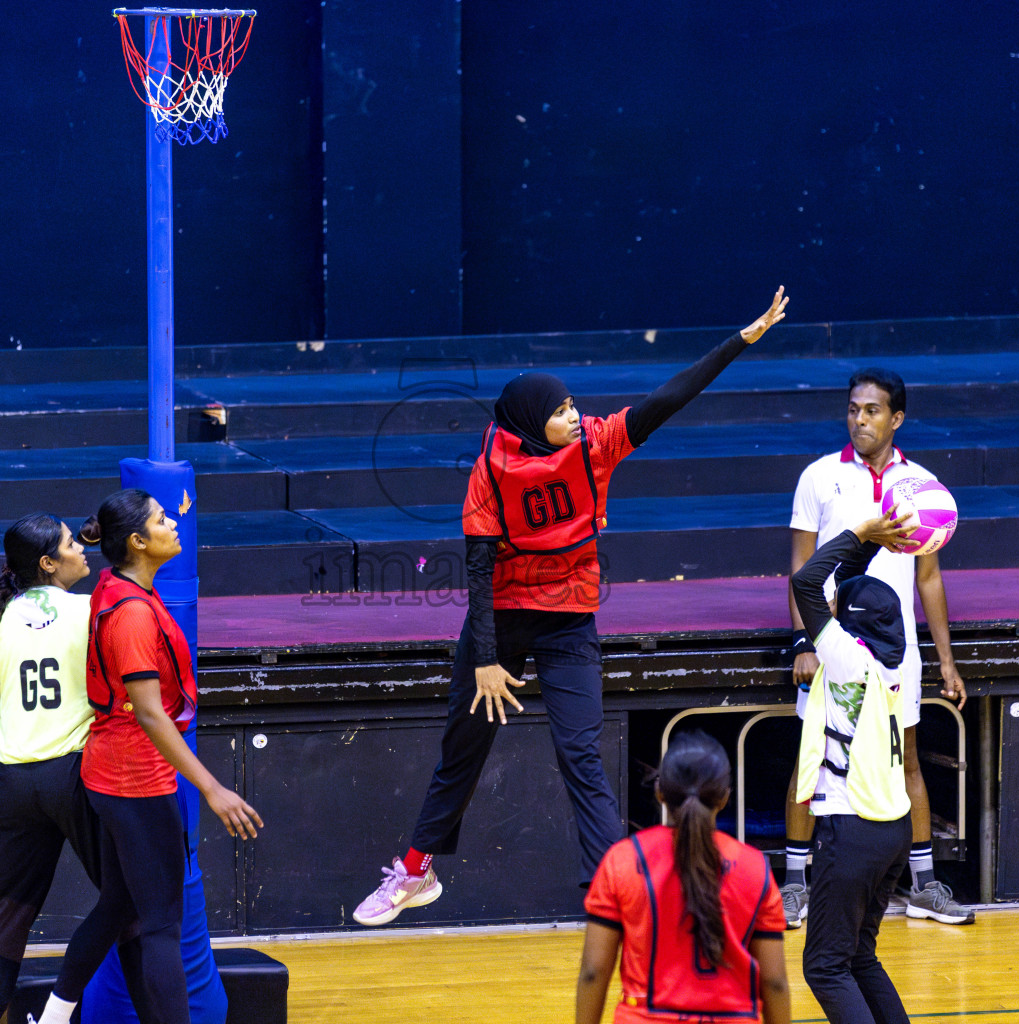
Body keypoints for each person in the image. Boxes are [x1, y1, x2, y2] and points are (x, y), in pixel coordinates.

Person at [352, 288, 791, 927]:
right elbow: (477, 573)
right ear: (530, 421)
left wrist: (740, 341)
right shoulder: (491, 469)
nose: (574, 416)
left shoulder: (595, 445)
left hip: (569, 617)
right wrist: (482, 660)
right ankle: (416, 872)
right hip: (500, 618)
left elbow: (666, 400)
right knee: (463, 750)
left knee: (580, 752)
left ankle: (618, 889)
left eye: (573, 404)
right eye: (559, 411)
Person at [33, 489, 263, 1024]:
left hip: (112, 774)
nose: (175, 524)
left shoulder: (115, 585)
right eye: (163, 520)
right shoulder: (132, 615)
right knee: (160, 925)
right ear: (138, 541)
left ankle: (53, 1014)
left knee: (121, 907)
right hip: (134, 780)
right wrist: (212, 788)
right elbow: (151, 714)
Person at [781, 367, 972, 929]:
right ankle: (795, 885)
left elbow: (928, 578)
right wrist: (803, 642)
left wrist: (946, 660)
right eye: (852, 409)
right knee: (811, 758)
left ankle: (923, 885)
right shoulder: (818, 477)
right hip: (834, 644)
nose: (859, 419)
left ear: (897, 419)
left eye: (871, 411)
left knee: (906, 758)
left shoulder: (925, 489)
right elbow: (800, 568)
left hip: (896, 652)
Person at [0, 512, 145, 1024]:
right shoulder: (92, 610)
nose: (80, 548)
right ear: (48, 563)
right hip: (76, 774)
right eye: (71, 543)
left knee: (3, 910)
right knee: (127, 901)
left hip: (12, 780)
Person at [789, 512, 918, 1024]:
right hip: (893, 829)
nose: (833, 604)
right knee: (859, 957)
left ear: (852, 620)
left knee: (824, 967)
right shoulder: (891, 659)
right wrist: (870, 551)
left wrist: (860, 534)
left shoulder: (844, 658)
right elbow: (845, 587)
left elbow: (805, 582)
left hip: (852, 829)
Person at [575, 731, 791, 1024]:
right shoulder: (756, 867)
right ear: (725, 796)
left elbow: (593, 972)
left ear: (660, 792)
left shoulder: (623, 859)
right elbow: (775, 982)